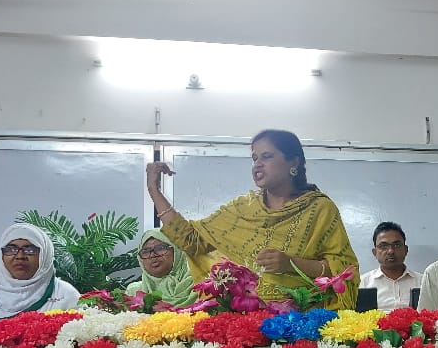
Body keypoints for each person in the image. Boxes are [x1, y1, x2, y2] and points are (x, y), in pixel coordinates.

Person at [147, 129, 359, 310]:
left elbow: (343, 269)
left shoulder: (320, 209)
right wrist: (154, 190)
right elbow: (191, 240)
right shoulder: (242, 208)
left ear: (293, 162)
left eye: (266, 156)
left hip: (301, 323)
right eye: (254, 158)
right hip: (245, 321)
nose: (257, 165)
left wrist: (292, 264)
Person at [124, 229, 198, 307]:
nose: (152, 255)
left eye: (160, 248)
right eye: (146, 251)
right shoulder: (134, 292)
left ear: (177, 251)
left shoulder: (199, 285)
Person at [359, 221, 421, 311]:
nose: (390, 251)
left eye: (397, 245)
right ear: (374, 252)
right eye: (383, 246)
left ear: (406, 250)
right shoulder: (362, 284)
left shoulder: (424, 282)